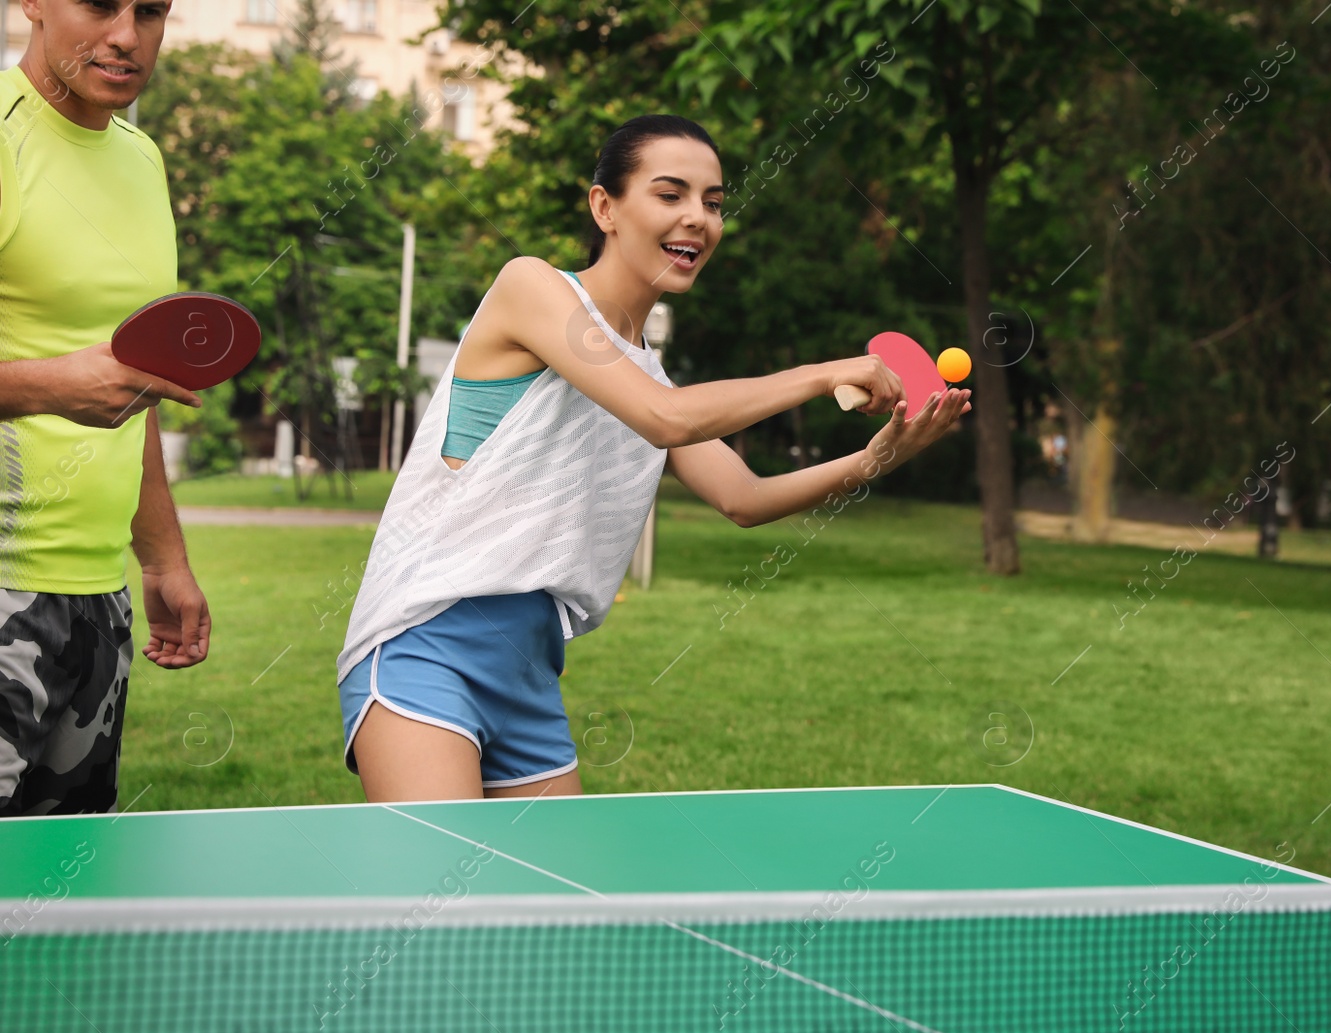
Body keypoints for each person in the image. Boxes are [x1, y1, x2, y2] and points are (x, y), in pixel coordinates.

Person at [338, 115, 970, 803]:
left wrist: (876, 458)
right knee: (435, 901)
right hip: (426, 642)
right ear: (604, 206)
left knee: (553, 909)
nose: (698, 218)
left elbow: (744, 498)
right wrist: (824, 374)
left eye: (715, 202)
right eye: (671, 195)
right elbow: (663, 419)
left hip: (528, 672)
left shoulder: (652, 378)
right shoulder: (531, 288)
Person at [0, 0, 211, 817]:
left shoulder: (142, 158)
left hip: (98, 601)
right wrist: (52, 385)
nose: (127, 35)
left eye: (151, 12)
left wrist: (161, 559)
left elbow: (137, 379)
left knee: (62, 913)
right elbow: (79, 378)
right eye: (99, 5)